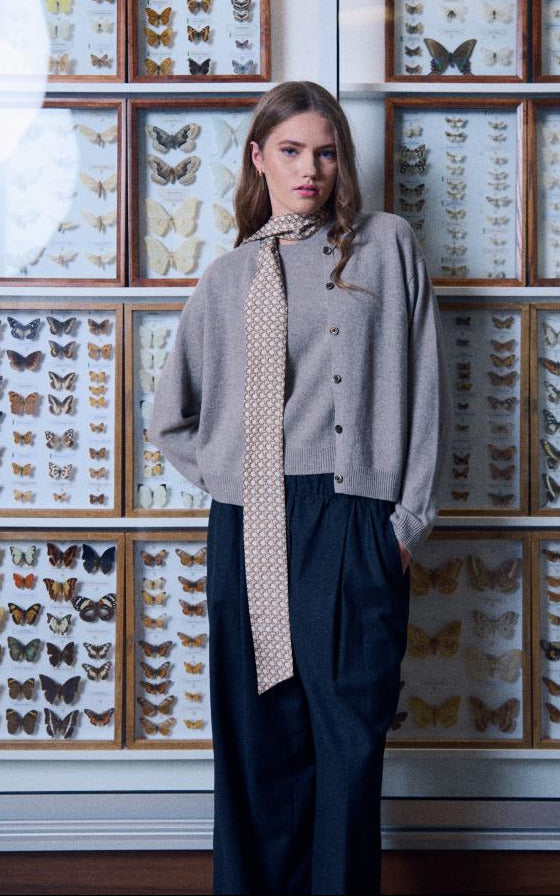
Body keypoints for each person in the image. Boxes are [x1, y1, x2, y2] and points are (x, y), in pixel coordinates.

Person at [149, 80, 451, 896]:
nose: (309, 168)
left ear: (341, 161)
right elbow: (168, 417)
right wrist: (239, 484)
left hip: (354, 517)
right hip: (252, 520)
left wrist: (403, 523)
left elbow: (426, 387)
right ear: (259, 158)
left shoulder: (387, 247)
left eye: (325, 152)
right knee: (259, 742)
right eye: (290, 150)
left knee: (348, 743)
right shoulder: (227, 279)